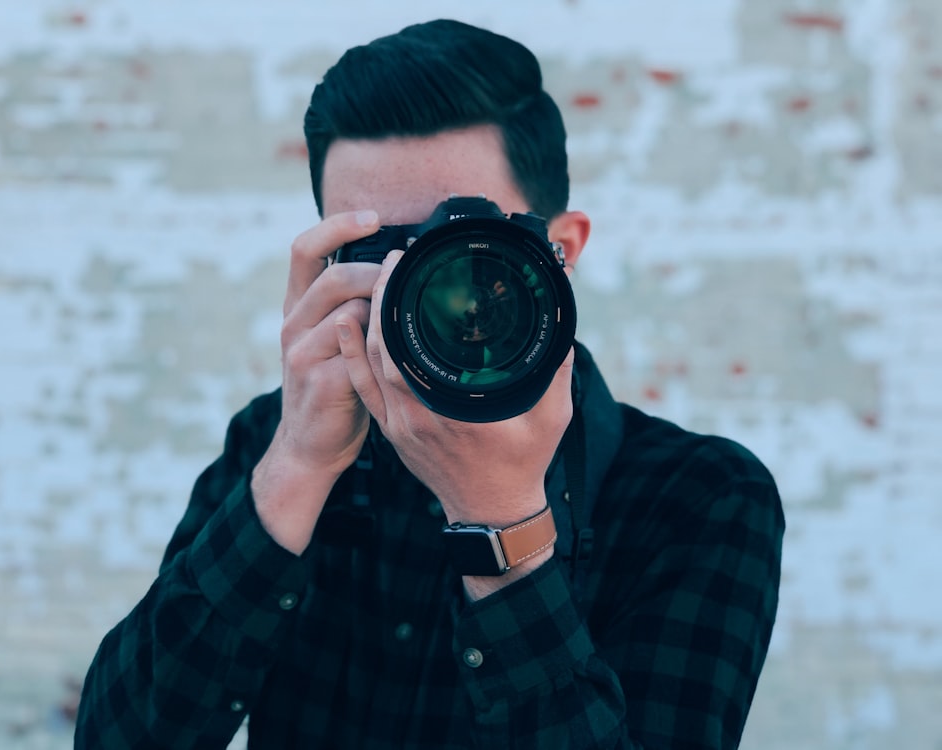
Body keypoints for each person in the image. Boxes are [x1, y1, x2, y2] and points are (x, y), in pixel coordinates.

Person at [75, 18, 784, 749]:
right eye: (377, 254)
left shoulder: (700, 497)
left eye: (463, 250)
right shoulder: (275, 441)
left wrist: (501, 522)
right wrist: (297, 467)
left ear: (560, 251)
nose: (424, 290)